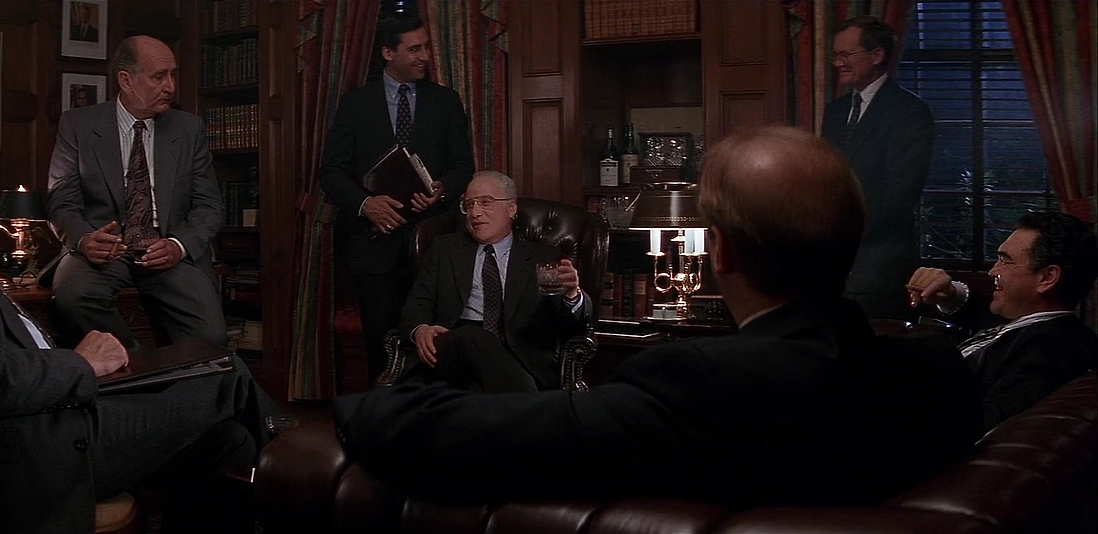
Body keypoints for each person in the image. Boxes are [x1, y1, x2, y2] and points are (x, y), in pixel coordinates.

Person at [334, 127, 980, 507]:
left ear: (720, 252)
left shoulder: (693, 383)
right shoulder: (936, 370)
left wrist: (354, 413)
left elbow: (488, 439)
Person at [0, 53, 282, 533]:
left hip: (31, 418)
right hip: (15, 452)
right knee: (226, 376)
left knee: (228, 441)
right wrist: (81, 363)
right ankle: (316, 480)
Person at [320, 13, 475, 383]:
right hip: (375, 247)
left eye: (427, 47)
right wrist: (366, 205)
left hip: (434, 244)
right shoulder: (356, 104)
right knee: (382, 346)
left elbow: (463, 167)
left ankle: (434, 409)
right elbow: (332, 172)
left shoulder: (446, 102)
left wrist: (440, 190)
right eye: (415, 49)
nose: (425, 56)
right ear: (389, 52)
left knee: (436, 342)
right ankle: (387, 411)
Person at [47, 35, 226, 349]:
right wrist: (85, 239)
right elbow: (61, 202)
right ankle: (134, 364)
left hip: (167, 250)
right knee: (72, 295)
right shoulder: (78, 125)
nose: (170, 86)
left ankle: (161, 377)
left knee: (211, 337)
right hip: (104, 251)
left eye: (172, 75)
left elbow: (209, 205)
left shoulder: (188, 129)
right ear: (126, 80)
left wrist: (178, 245)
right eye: (159, 77)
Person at [399, 171, 590, 393]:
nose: (475, 213)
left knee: (477, 390)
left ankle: (517, 403)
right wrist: (420, 329)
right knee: (472, 336)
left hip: (518, 357)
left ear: (511, 208)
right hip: (453, 353)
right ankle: (530, 405)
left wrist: (572, 296)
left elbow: (568, 325)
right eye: (469, 205)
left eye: (485, 202)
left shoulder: (544, 257)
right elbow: (417, 303)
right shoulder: (444, 249)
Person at [907, 211, 1098, 431]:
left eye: (1005, 261)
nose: (992, 271)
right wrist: (950, 293)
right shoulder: (1036, 324)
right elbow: (982, 311)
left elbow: (986, 424)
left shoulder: (1049, 350)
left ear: (1047, 278)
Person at [820, 15, 934, 321]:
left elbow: (899, 193)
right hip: (829, 267)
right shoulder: (835, 112)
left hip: (877, 269)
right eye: (835, 55)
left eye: (846, 54)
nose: (838, 63)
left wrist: (838, 229)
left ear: (877, 55)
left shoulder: (909, 111)